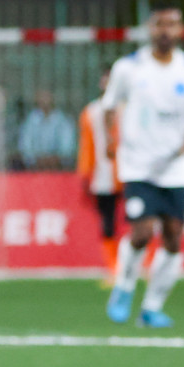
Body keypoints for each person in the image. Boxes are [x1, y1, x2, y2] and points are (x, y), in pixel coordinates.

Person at [102, 6, 184, 329]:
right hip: (138, 164)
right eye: (160, 24)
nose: (166, 30)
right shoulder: (128, 68)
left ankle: (151, 307)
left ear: (182, 30)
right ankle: (124, 286)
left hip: (177, 167)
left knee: (174, 237)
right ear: (150, 29)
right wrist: (111, 139)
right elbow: (109, 107)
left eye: (173, 24)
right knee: (141, 230)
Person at [76, 70, 121, 284]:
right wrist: (85, 174)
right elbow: (86, 146)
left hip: (130, 172)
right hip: (102, 176)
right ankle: (113, 269)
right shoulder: (91, 111)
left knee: (141, 219)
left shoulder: (128, 108)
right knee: (108, 221)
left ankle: (146, 266)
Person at [18, 90, 75, 169]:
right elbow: (25, 147)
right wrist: (35, 160)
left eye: (47, 96)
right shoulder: (30, 121)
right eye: (42, 97)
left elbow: (67, 148)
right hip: (34, 168)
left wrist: (56, 159)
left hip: (58, 168)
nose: (45, 100)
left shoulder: (63, 121)